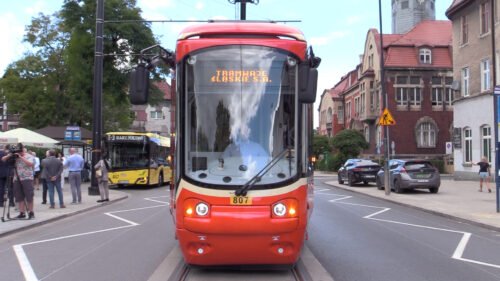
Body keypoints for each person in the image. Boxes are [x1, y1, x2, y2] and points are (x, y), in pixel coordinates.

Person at [1, 143, 36, 219]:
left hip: (27, 178)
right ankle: (22, 212)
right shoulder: (14, 156)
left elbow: (31, 164)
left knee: (29, 196)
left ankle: (31, 212)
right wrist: (10, 155)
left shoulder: (29, 156)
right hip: (16, 178)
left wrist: (20, 157)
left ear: (23, 149)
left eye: (20, 151)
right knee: (19, 196)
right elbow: (3, 159)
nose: (19, 152)